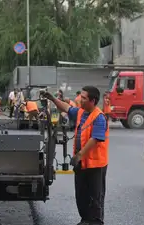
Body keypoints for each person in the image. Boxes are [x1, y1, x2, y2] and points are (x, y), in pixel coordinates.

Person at [40, 86, 108, 225]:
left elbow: (95, 139)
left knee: (95, 196)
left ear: (93, 100)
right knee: (81, 195)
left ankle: (95, 221)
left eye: (84, 98)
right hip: (81, 163)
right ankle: (85, 220)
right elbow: (66, 108)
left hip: (95, 165)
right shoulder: (80, 112)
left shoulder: (99, 117)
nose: (80, 100)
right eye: (81, 96)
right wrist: (52, 99)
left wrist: (79, 155)